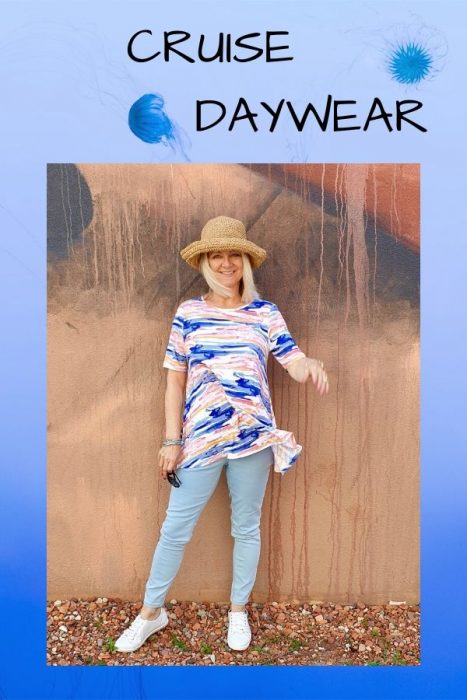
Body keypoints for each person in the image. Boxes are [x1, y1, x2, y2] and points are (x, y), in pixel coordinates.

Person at [115, 216, 329, 654]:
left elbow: (292, 359)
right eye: (218, 255)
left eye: (234, 254)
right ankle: (151, 613)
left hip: (252, 437)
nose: (226, 262)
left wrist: (311, 367)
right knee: (175, 528)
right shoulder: (189, 313)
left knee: (245, 526)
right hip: (200, 440)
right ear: (206, 262)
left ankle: (237, 612)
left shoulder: (264, 314)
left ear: (245, 262)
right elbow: (175, 379)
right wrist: (171, 440)